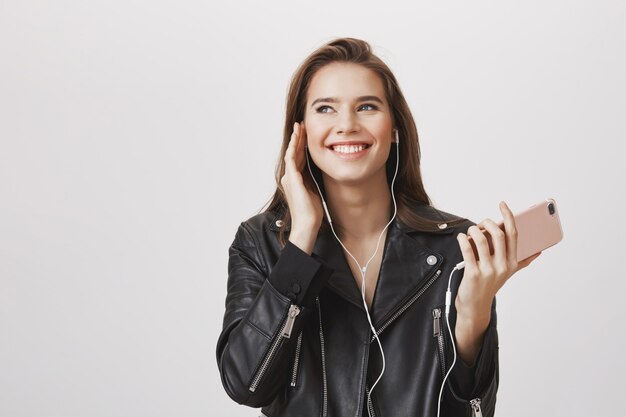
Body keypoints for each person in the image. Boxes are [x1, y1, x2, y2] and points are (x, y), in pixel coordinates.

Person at [216, 37, 541, 417]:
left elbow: (474, 412)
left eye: (367, 106)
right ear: (299, 133)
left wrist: (473, 313)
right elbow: (246, 385)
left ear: (395, 128)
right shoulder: (260, 243)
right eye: (326, 109)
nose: (347, 125)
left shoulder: (456, 248)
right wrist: (301, 240)